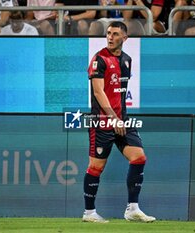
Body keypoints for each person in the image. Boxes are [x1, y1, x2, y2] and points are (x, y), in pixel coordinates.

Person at [83, 21, 156, 223]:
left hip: (122, 121)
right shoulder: (99, 59)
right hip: (103, 123)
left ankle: (132, 209)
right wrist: (113, 119)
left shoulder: (127, 60)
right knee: (96, 167)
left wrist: (121, 119)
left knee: (139, 157)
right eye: (108, 33)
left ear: (125, 38)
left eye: (115, 34)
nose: (110, 37)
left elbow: (120, 95)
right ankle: (89, 213)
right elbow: (98, 92)